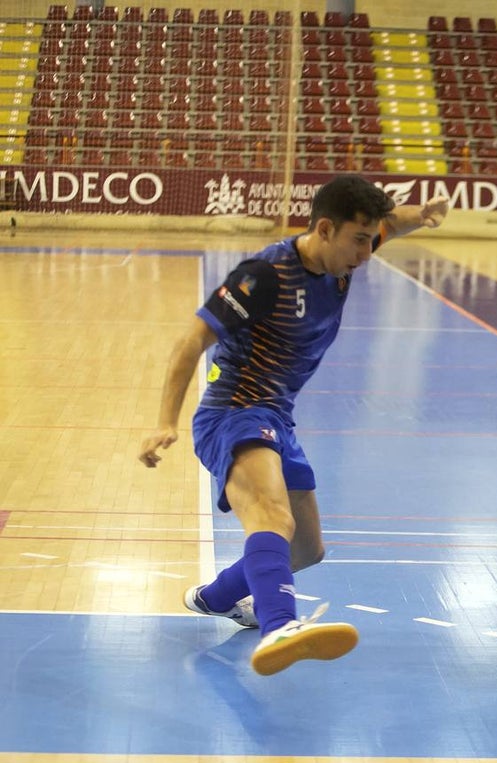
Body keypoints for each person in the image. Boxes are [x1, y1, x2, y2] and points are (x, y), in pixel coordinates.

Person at [138, 176, 449, 675]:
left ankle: (214, 597)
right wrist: (164, 423)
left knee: (305, 548)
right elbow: (191, 341)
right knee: (273, 519)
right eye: (360, 240)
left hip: (278, 416)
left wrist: (425, 213)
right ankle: (280, 624)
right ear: (325, 228)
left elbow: (393, 222)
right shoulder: (265, 275)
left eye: (372, 240)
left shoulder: (345, 256)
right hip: (234, 412)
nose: (368, 253)